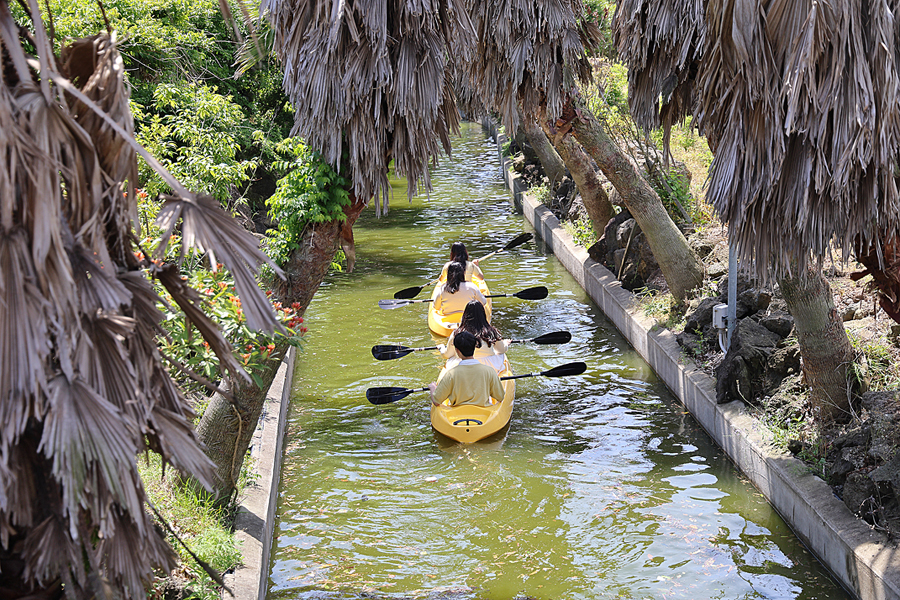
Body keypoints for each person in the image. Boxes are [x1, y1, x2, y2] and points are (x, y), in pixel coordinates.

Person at [429, 331, 504, 407]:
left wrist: (432, 387)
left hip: (456, 415)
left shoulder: (451, 374)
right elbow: (500, 397)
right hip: (483, 414)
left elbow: (436, 401)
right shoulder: (489, 371)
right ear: (474, 347)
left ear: (457, 350)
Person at [439, 300, 509, 373]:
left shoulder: (457, 333)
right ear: (483, 315)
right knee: (500, 355)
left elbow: (447, 354)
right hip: (489, 366)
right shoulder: (491, 331)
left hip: (463, 365)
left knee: (453, 356)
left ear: (465, 315)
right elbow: (501, 350)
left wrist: (442, 348)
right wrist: (506, 344)